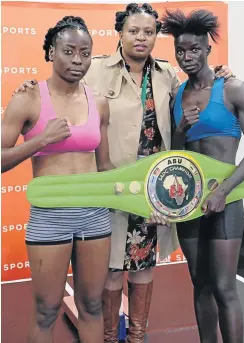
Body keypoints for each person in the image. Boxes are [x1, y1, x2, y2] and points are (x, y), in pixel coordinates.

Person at [13, 4, 234, 342]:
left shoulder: (166, 75)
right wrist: (28, 87)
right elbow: (61, 84)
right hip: (111, 187)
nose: (141, 38)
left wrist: (221, 74)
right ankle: (108, 336)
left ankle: (136, 335)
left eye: (148, 32)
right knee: (111, 273)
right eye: (134, 31)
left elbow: (185, 103)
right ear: (120, 33)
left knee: (144, 268)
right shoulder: (94, 68)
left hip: (151, 191)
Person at [1, 16, 115, 343]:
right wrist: (39, 141)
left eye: (85, 53)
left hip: (95, 217)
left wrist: (140, 196)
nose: (78, 60)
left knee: (93, 305)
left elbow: (105, 167)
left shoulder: (100, 102)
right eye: (69, 51)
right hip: (50, 218)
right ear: (52, 52)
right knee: (46, 311)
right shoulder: (28, 98)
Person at [157, 9, 244, 343]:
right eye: (180, 51)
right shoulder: (177, 97)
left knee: (226, 287)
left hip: (225, 202)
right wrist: (181, 131)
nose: (187, 57)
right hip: (189, 205)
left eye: (194, 49)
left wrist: (224, 191)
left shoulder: (233, 89)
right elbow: (174, 155)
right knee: (200, 284)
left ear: (208, 49)